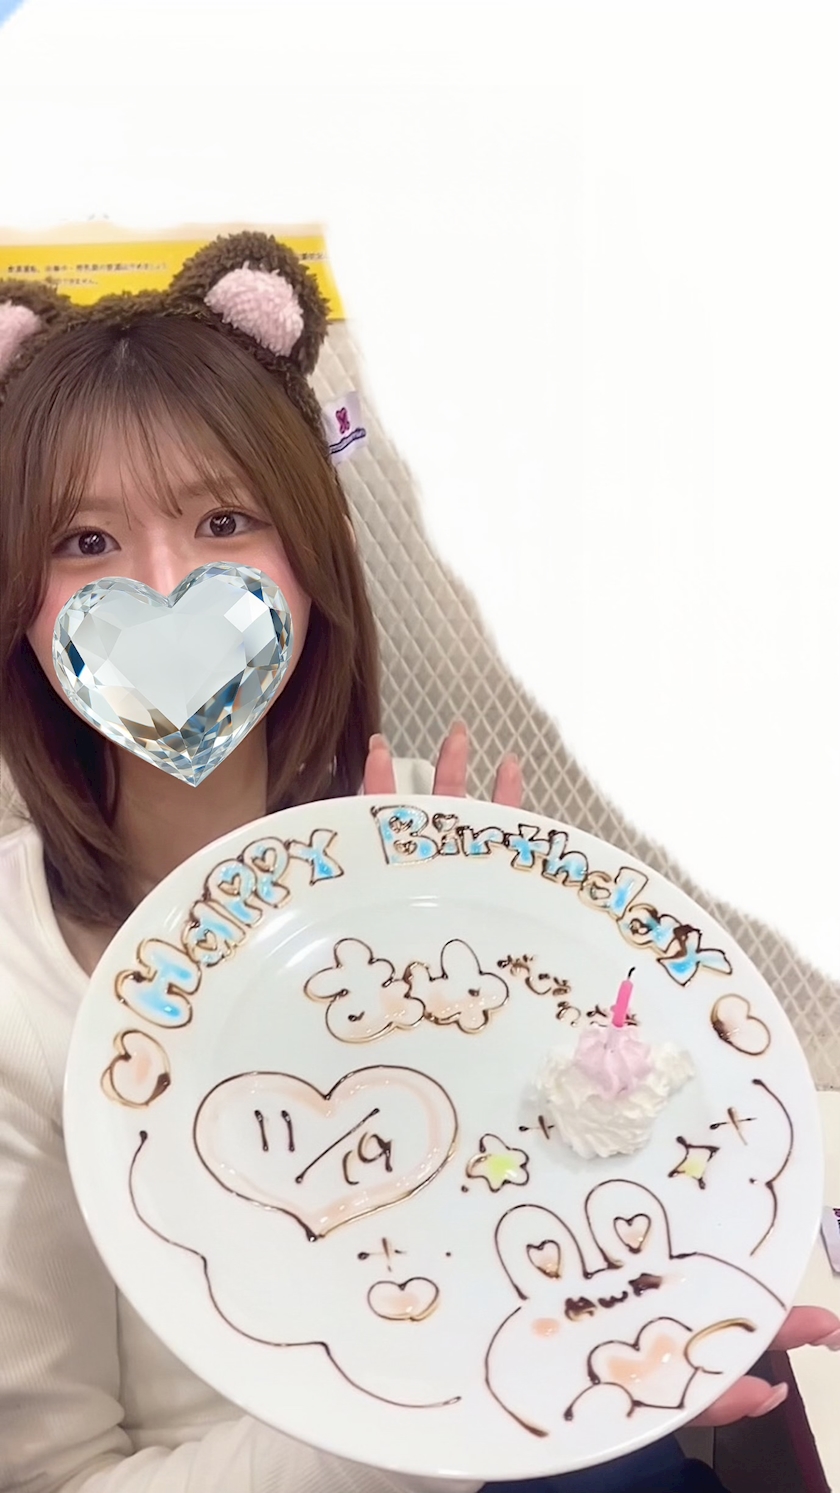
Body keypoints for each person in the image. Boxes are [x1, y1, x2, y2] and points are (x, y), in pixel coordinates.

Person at [0, 236, 836, 1493]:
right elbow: (56, 1475)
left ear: (313, 553)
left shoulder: (430, 880)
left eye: (223, 520)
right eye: (83, 539)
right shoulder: (17, 980)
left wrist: (650, 1281)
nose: (164, 584)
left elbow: (532, 1217)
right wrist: (440, 1414)